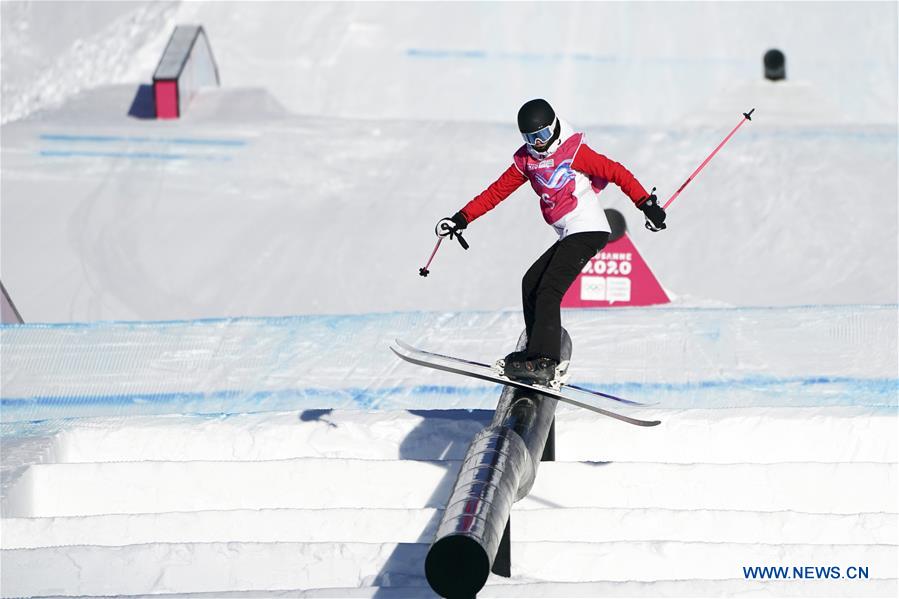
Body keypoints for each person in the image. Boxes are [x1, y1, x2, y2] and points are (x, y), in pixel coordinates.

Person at [435, 98, 667, 385]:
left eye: (543, 136)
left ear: (555, 127)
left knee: (549, 288)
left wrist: (647, 204)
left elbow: (616, 171)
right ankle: (535, 353)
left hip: (588, 229)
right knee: (530, 282)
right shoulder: (527, 161)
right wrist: (462, 218)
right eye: (530, 138)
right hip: (570, 232)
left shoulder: (574, 151)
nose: (539, 144)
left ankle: (545, 360)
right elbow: (495, 192)